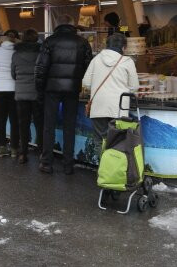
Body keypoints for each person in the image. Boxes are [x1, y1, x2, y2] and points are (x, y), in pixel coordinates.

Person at [35, 14, 92, 174]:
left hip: (51, 89)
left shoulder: (49, 41)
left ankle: (47, 162)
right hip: (72, 89)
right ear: (72, 25)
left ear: (57, 24)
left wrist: (40, 89)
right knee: (69, 126)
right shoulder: (82, 42)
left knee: (49, 126)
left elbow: (41, 68)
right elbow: (88, 68)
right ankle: (68, 164)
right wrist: (79, 81)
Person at [82, 33, 139, 145]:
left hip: (98, 106)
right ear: (123, 48)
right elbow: (134, 87)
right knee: (118, 142)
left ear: (107, 45)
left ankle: (101, 157)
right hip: (119, 108)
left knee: (100, 141)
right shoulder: (127, 61)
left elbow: (86, 83)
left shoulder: (96, 59)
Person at [11, 29, 44, 165]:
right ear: (36, 39)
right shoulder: (41, 54)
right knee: (39, 124)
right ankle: (42, 153)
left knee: (23, 124)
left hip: (21, 94)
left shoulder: (16, 55)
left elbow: (13, 74)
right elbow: (43, 73)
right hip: (37, 94)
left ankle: (23, 153)